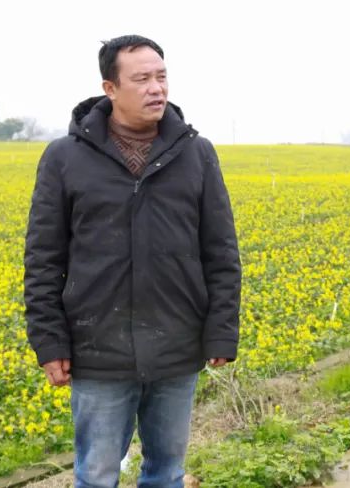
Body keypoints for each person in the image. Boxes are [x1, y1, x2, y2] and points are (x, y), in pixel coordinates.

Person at [24, 34, 241, 488]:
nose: (156, 88)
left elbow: (220, 251)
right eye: (141, 79)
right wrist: (49, 341)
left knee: (166, 472)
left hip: (177, 346)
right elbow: (43, 259)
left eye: (161, 77)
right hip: (97, 350)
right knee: (96, 475)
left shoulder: (196, 153)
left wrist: (221, 331)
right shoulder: (65, 158)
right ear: (110, 88)